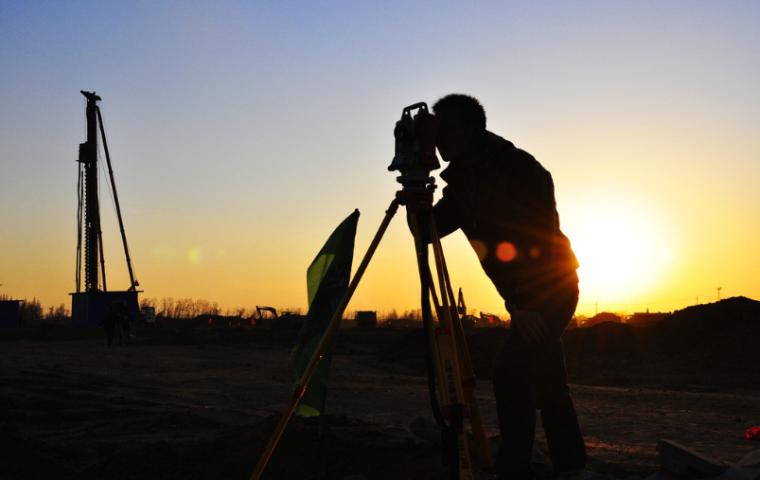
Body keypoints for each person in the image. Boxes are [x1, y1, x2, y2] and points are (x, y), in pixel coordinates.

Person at [428, 94, 586, 479]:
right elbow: (428, 230)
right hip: (526, 297)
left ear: (470, 130)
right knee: (546, 376)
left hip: (551, 288)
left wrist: (527, 302)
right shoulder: (463, 182)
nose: (439, 140)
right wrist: (417, 185)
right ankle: (570, 464)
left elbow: (540, 242)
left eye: (445, 130)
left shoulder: (521, 169)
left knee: (510, 372)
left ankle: (516, 466)